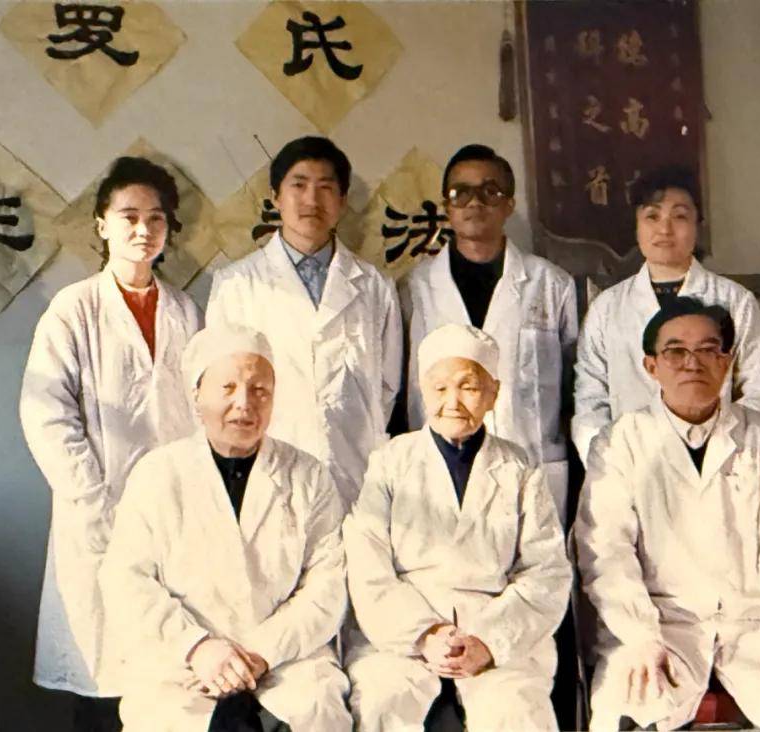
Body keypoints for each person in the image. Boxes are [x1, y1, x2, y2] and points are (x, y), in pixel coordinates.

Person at [574, 297, 760, 731]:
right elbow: (605, 553)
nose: (692, 363)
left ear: (727, 362)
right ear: (651, 366)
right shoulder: (621, 441)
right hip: (660, 624)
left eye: (707, 349)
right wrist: (639, 635)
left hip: (754, 625)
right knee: (630, 715)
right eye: (675, 351)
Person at [19, 156, 202, 729]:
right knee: (101, 676)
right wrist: (95, 501)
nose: (143, 229)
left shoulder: (184, 310)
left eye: (156, 217)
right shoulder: (74, 309)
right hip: (97, 517)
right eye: (128, 216)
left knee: (167, 686)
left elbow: (201, 413)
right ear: (102, 223)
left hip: (172, 518)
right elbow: (46, 414)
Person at [100, 325, 352, 731]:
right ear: (197, 395)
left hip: (286, 660)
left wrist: (261, 652)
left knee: (316, 709)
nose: (244, 404)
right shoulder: (158, 474)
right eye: (228, 387)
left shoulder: (307, 475)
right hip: (183, 663)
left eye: (260, 390)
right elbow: (126, 580)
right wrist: (198, 647)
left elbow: (327, 585)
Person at [343, 324, 571, 731]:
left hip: (496, 637)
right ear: (422, 391)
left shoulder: (520, 468)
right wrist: (426, 635)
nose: (453, 402)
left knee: (517, 712)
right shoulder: (390, 462)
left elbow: (546, 571)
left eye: (469, 387)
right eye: (440, 388)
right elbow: (367, 566)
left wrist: (487, 641)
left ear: (493, 393)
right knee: (382, 701)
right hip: (402, 638)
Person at [207, 136, 402, 508]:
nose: (312, 200)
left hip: (356, 471)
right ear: (276, 197)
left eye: (325, 187)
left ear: (342, 200)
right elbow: (220, 389)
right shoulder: (236, 285)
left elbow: (387, 387)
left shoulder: (374, 286)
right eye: (298, 185)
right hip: (266, 470)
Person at [401, 144, 578, 522]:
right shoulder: (415, 288)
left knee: (535, 556)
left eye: (489, 191)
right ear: (446, 206)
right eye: (460, 192)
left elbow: (573, 384)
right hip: (441, 466)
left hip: (531, 463)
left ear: (509, 203)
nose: (474, 202)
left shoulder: (551, 284)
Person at [572, 166, 760, 463]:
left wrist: (725, 456)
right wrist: (612, 463)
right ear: (636, 225)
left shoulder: (736, 301)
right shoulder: (607, 307)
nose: (665, 229)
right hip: (630, 465)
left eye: (679, 216)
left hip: (719, 462)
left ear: (698, 225)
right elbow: (590, 401)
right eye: (652, 216)